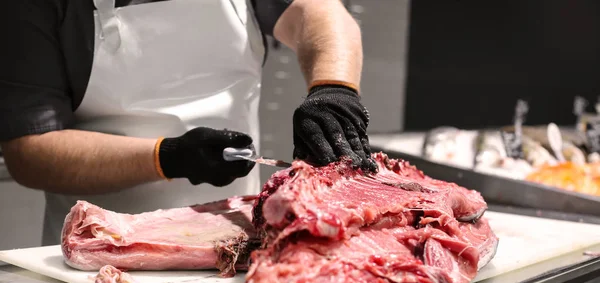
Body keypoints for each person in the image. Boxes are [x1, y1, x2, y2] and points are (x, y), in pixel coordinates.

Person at [0, 0, 376, 246]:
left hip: (239, 240)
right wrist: (169, 157)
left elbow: (319, 12)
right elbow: (30, 152)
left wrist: (333, 89)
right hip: (100, 251)